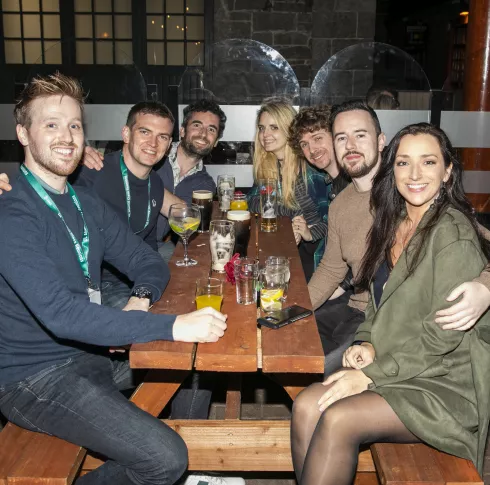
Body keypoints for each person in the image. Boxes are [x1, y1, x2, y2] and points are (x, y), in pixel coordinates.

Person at [0, 72, 228, 485]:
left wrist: (140, 298)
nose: (67, 137)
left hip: (90, 353)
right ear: (22, 133)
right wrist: (173, 325)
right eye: (51, 124)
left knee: (198, 367)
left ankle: (204, 467)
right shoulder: (11, 213)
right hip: (34, 378)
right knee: (165, 458)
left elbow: (149, 261)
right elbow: (63, 315)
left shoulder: (84, 202)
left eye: (74, 125)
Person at [291, 122, 490, 484]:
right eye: (403, 163)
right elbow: (375, 304)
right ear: (391, 168)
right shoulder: (395, 220)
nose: (414, 174)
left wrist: (367, 376)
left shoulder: (452, 234)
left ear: (447, 171)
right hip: (398, 365)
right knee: (306, 405)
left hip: (442, 384)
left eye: (428, 162)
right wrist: (366, 341)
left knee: (337, 418)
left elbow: (441, 337)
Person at [308, 100, 490, 375]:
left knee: (323, 372)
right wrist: (292, 308)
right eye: (341, 138)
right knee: (289, 344)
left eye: (360, 135)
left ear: (381, 140)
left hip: (394, 324)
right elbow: (331, 268)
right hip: (356, 310)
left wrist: (486, 287)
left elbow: (476, 238)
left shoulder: (411, 191)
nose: (351, 145)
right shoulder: (341, 204)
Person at [71, 101, 177, 309]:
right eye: (145, 132)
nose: (153, 143)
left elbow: (148, 248)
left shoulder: (155, 183)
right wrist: (75, 155)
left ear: (169, 144)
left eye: (162, 137)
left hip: (135, 276)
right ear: (127, 134)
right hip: (97, 283)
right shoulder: (93, 171)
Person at [247, 99, 330, 280]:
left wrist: (307, 231)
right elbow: (251, 201)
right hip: (285, 245)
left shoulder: (311, 166)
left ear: (288, 130)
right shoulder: (269, 165)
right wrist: (289, 214)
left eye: (274, 127)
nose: (265, 134)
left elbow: (332, 220)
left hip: (317, 253)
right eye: (261, 128)